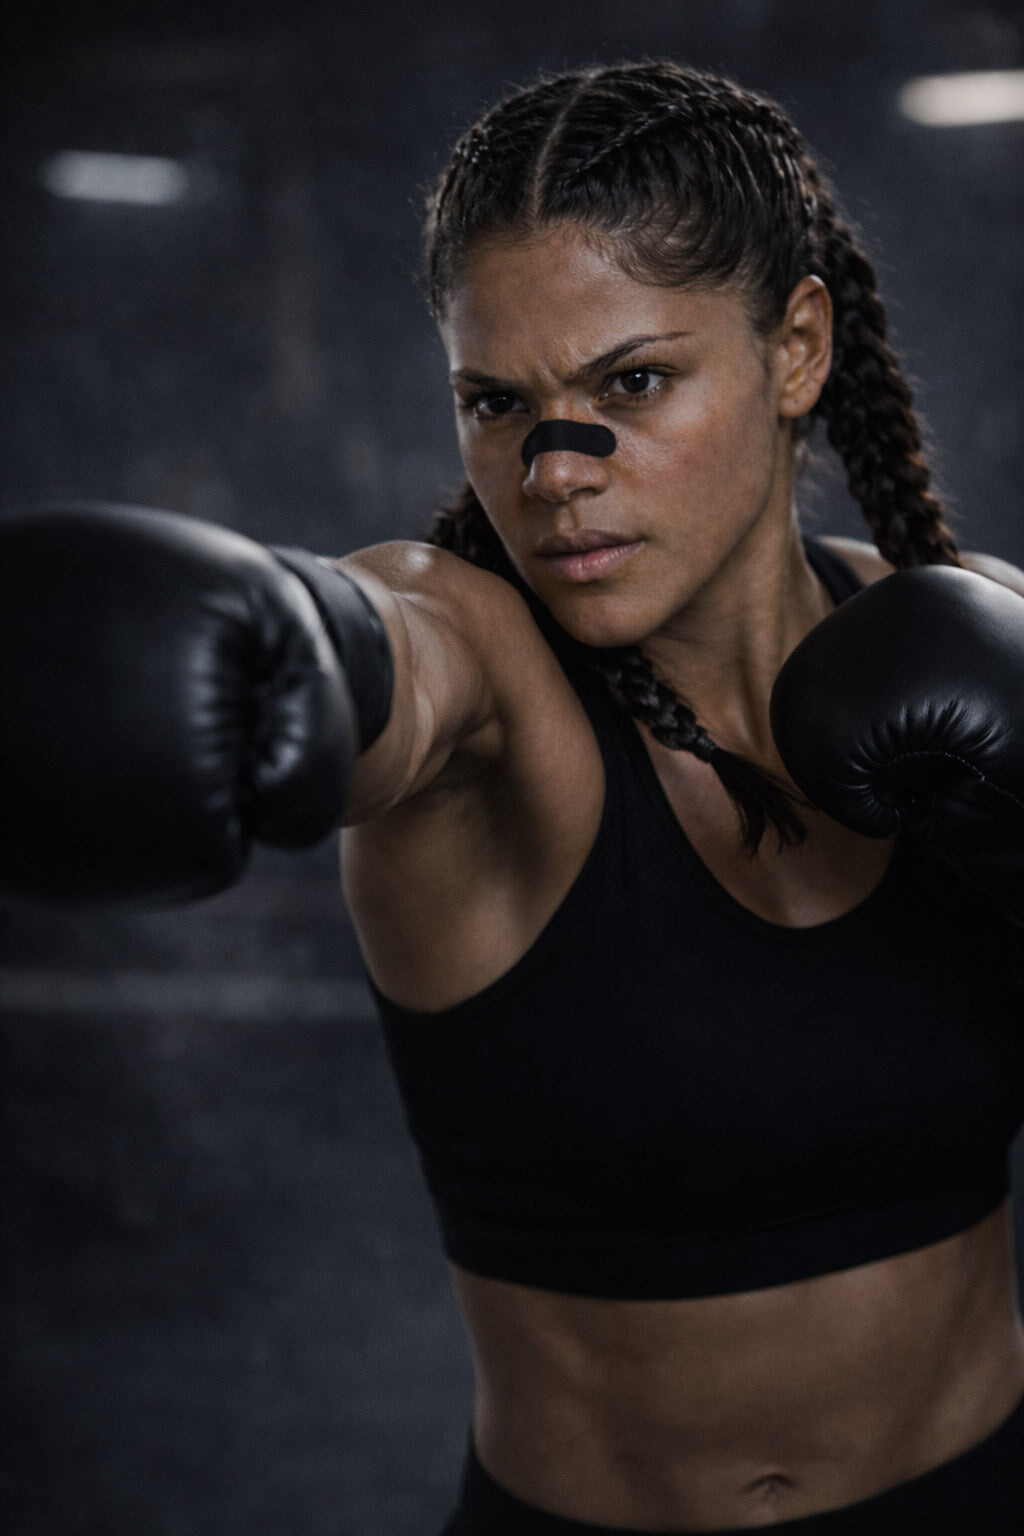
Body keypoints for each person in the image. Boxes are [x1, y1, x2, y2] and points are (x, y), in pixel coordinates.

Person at [2, 58, 1024, 1535]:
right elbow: (389, 649)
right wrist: (295, 642)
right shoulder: (483, 674)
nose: (555, 469)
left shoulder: (967, 626)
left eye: (631, 382)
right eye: (498, 402)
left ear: (798, 347)